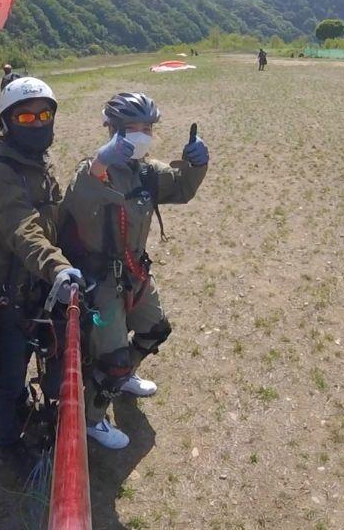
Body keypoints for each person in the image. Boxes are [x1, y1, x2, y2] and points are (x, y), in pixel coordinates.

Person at [59, 92, 209, 449]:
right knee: (112, 359)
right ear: (111, 130)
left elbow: (182, 188)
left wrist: (195, 165)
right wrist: (99, 165)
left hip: (137, 275)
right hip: (100, 281)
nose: (142, 135)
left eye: (148, 128)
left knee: (156, 330)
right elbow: (76, 202)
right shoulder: (93, 171)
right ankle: (92, 420)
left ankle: (125, 377)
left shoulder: (147, 171)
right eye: (132, 129)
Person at [0, 77, 83, 475]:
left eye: (44, 115)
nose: (36, 123)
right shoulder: (0, 174)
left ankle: (36, 413)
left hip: (39, 286)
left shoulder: (34, 164)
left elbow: (52, 217)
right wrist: (57, 266)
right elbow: (24, 229)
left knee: (54, 355)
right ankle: (7, 445)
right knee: (8, 377)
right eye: (25, 116)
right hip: (8, 297)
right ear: (7, 122)